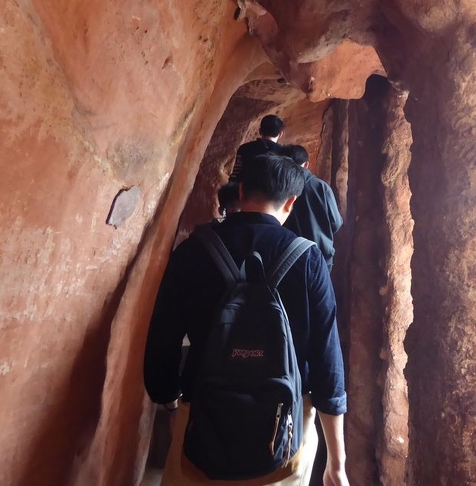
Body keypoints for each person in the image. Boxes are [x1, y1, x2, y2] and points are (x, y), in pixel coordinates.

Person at [144, 154, 350, 486]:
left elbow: (162, 341)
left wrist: (172, 407)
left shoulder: (192, 250)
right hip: (285, 425)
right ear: (291, 203)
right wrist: (337, 462)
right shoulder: (309, 259)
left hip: (202, 417)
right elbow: (327, 359)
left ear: (240, 192)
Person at [280, 145, 343, 271]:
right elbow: (336, 223)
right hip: (320, 253)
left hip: (287, 255)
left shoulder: (280, 187)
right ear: (307, 164)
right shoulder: (321, 187)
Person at [229, 114, 284, 182]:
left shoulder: (244, 148)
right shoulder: (284, 152)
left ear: (260, 131)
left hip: (245, 190)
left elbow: (236, 174)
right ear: (281, 134)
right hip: (271, 192)